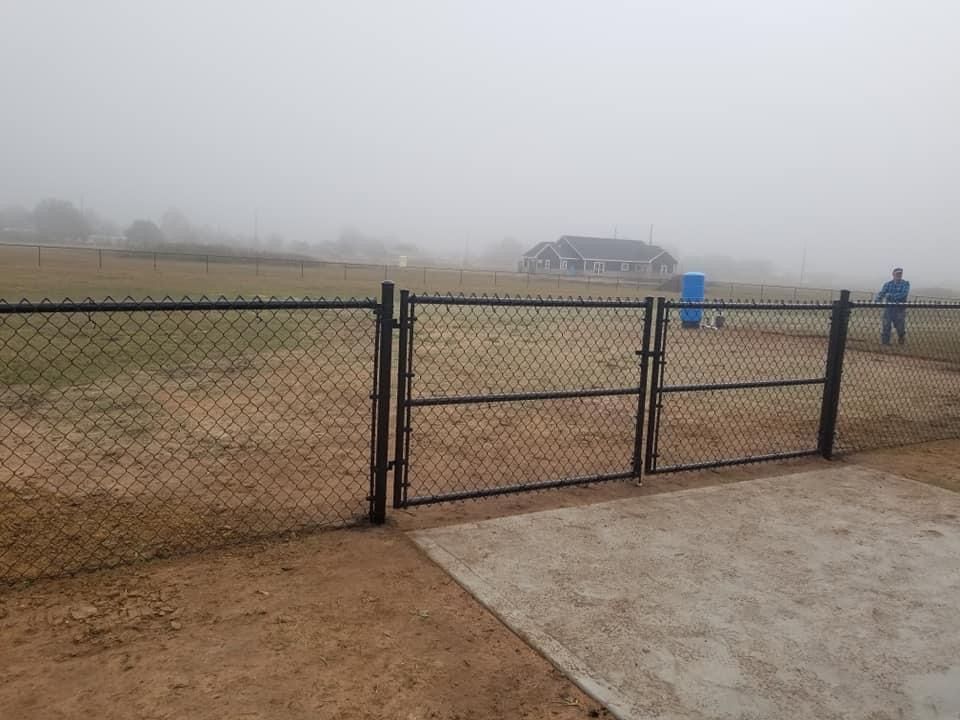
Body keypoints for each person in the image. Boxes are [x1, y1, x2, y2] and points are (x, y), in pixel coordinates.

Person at [876, 267, 910, 345]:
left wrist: (890, 296)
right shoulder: (888, 284)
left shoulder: (905, 284)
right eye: (897, 273)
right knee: (886, 325)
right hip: (888, 309)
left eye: (900, 274)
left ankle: (901, 339)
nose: (899, 275)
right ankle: (885, 343)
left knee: (900, 327)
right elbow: (882, 293)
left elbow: (903, 294)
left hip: (899, 309)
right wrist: (877, 300)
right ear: (893, 274)